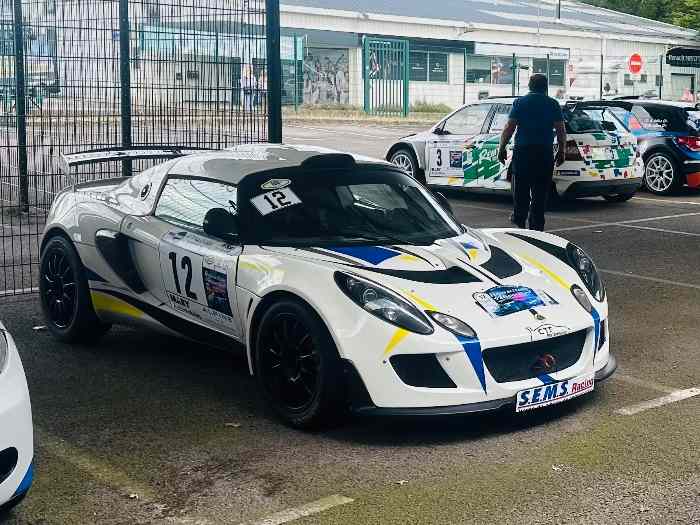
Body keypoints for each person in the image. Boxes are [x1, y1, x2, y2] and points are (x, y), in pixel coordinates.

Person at [498, 74, 567, 231]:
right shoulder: (553, 104)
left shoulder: (520, 103)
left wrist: (501, 148)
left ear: (529, 86)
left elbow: (510, 127)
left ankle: (519, 220)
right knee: (540, 191)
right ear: (545, 87)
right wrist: (562, 151)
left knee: (520, 188)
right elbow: (561, 130)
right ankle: (537, 225)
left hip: (523, 152)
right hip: (544, 153)